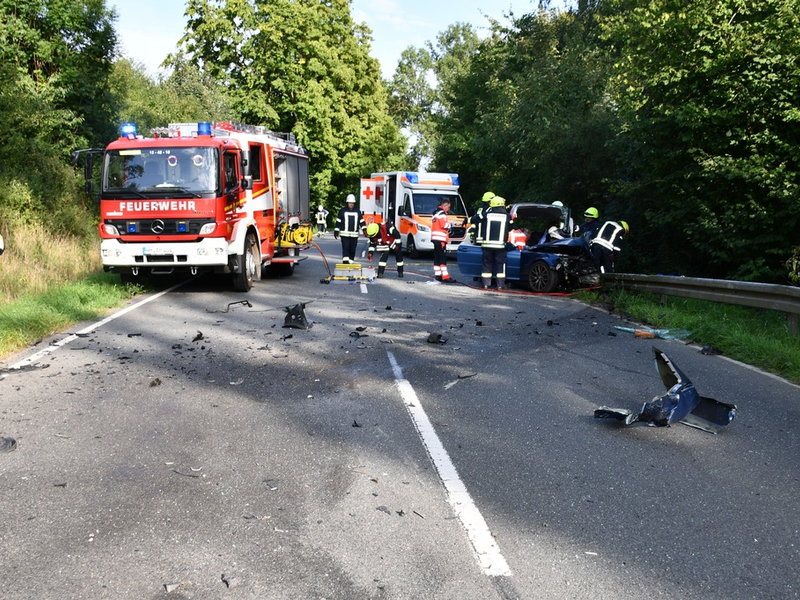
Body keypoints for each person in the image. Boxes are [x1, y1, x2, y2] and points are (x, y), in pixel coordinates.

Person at [481, 196, 513, 290]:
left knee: (487, 264)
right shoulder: (507, 216)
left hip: (487, 245)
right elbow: (511, 228)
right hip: (500, 246)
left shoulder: (486, 215)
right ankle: (500, 285)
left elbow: (476, 219)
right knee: (500, 265)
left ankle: (486, 284)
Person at [334, 194, 366, 263]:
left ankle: (351, 264)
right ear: (347, 203)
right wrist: (336, 231)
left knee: (352, 250)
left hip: (354, 235)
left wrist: (364, 229)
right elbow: (338, 221)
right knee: (346, 248)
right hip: (344, 234)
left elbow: (361, 221)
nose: (351, 204)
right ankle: (345, 264)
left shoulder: (357, 211)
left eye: (352, 203)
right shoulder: (342, 211)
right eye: (350, 203)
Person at [431, 198, 455, 282]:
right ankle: (445, 277)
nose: (448, 209)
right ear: (445, 205)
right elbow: (444, 225)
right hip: (441, 239)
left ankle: (438, 275)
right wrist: (451, 225)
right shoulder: (442, 214)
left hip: (435, 238)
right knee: (442, 258)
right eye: (448, 207)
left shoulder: (435, 213)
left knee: (437, 258)